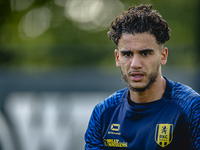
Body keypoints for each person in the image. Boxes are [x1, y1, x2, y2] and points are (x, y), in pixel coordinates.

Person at [84, 4, 200, 150]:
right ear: (117, 58)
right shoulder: (103, 113)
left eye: (145, 53)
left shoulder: (192, 109)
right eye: (127, 54)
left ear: (163, 56)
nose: (135, 64)